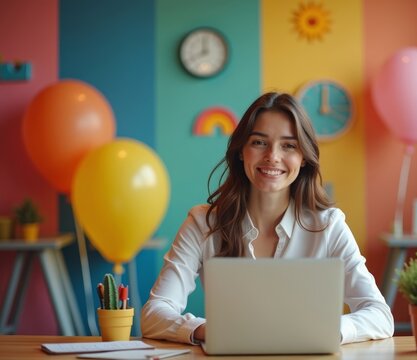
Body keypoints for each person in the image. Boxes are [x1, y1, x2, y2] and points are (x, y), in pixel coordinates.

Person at [141, 92, 394, 344]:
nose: (272, 156)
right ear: (241, 151)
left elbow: (380, 316)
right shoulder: (203, 223)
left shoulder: (329, 226)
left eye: (288, 145)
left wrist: (325, 329)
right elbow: (154, 313)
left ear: (303, 157)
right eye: (259, 142)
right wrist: (211, 330)